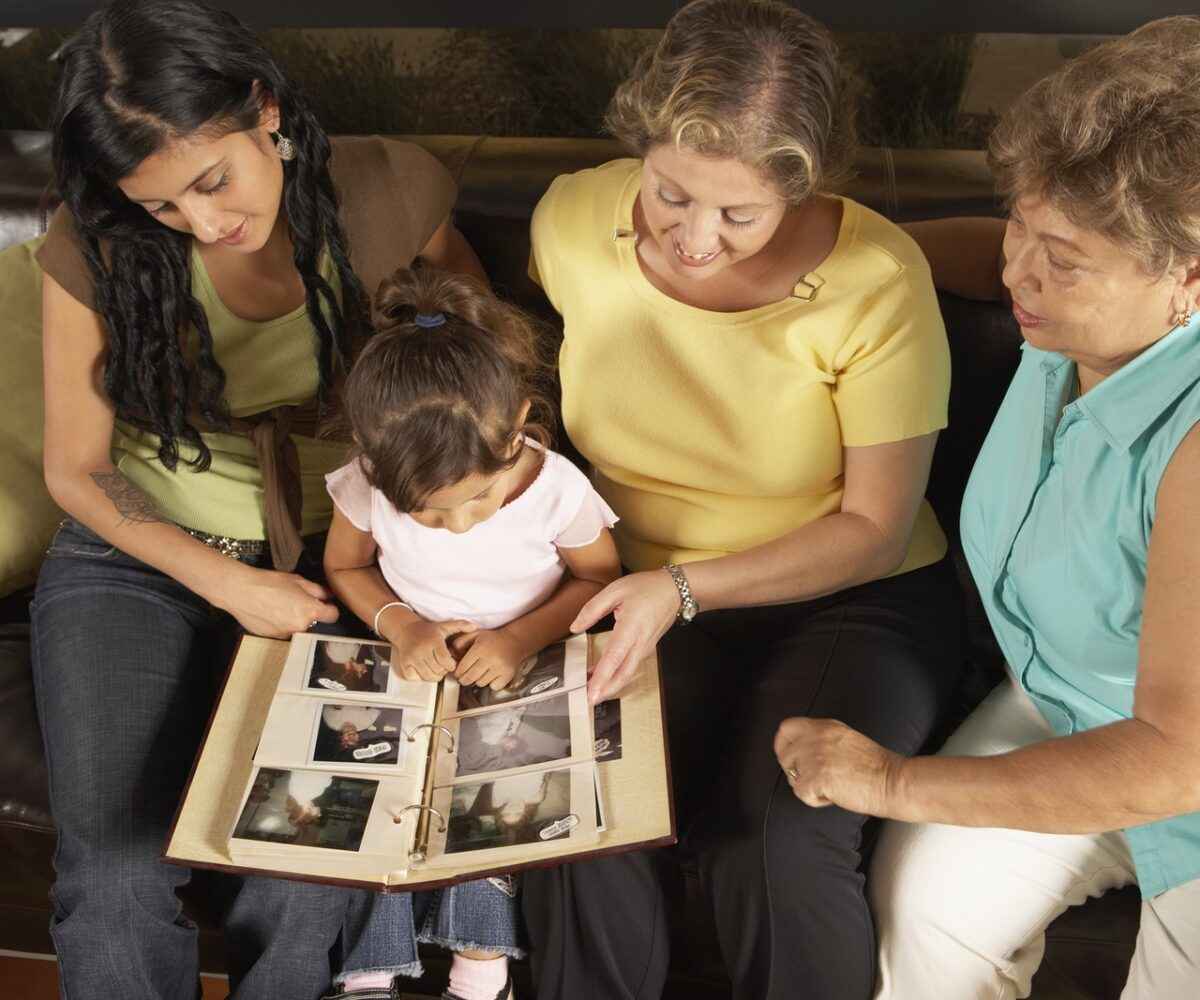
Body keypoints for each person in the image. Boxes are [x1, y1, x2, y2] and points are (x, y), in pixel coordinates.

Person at [30, 2, 484, 998]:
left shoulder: (389, 191)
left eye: (210, 180)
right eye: (162, 207)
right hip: (132, 554)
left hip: (336, 562)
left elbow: (474, 376)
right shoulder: (91, 243)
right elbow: (77, 466)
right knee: (111, 865)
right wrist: (225, 586)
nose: (202, 222)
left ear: (264, 110)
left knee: (303, 863)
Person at [520, 2, 963, 997]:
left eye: (739, 214)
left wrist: (683, 587)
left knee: (777, 833)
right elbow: (457, 287)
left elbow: (873, 525)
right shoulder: (572, 219)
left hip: (852, 596)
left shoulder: (876, 281)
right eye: (672, 195)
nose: (695, 239)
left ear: (804, 189)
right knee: (583, 803)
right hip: (639, 591)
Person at [772, 18, 1200, 1000]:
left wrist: (886, 782)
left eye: (1063, 256)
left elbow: (1178, 759)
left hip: (1180, 762)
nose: (1018, 271)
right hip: (1069, 707)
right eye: (1020, 223)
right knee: (921, 913)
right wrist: (832, 261)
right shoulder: (1077, 315)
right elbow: (980, 255)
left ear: (1190, 276)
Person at [321, 264, 622, 1000]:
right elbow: (345, 566)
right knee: (380, 810)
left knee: (492, 814)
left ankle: (480, 974)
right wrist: (401, 624)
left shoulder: (556, 490)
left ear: (519, 426)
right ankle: (367, 973)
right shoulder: (365, 478)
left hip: (522, 667)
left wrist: (520, 639)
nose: (457, 523)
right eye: (426, 513)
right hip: (412, 669)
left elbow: (599, 579)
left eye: (478, 498)